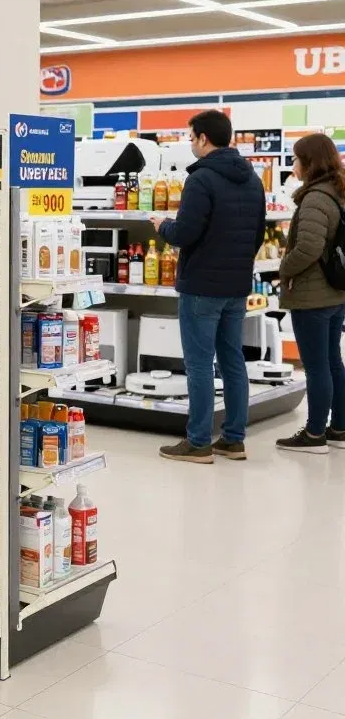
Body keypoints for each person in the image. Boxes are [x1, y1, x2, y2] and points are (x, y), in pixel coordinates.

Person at [149, 110, 266, 463]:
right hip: (236, 284)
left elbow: (185, 233)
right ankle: (233, 438)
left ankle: (198, 442)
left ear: (203, 138)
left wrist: (162, 225)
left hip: (201, 285)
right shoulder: (253, 179)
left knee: (199, 364)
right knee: (233, 360)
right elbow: (258, 235)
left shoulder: (201, 180)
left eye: (190, 137)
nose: (189, 144)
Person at [275, 132, 345, 454]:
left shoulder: (315, 198)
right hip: (335, 292)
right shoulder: (338, 192)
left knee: (317, 366)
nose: (293, 164)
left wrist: (284, 267)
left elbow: (308, 247)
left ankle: (315, 434)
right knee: (332, 362)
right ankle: (339, 427)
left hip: (313, 295)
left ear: (310, 162)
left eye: (296, 158)